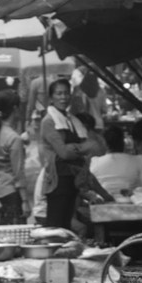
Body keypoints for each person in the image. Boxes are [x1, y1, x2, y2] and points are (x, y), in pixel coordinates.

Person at [38, 77, 96, 230]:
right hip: (58, 180)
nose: (63, 97)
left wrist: (75, 148)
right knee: (56, 227)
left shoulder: (71, 120)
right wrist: (81, 148)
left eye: (66, 93)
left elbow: (93, 146)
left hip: (73, 180)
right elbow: (63, 153)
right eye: (59, 94)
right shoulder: (49, 122)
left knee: (66, 227)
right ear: (51, 97)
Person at [0, 90, 28, 223]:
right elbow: (18, 172)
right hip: (10, 192)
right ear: (15, 109)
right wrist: (25, 201)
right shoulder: (14, 138)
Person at [89, 124, 142, 197]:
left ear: (105, 143)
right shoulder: (140, 160)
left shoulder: (94, 162)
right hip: (134, 202)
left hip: (103, 203)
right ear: (123, 142)